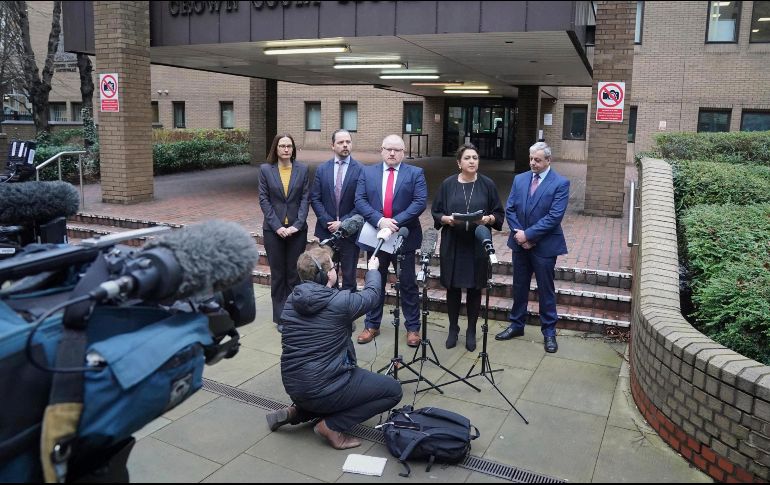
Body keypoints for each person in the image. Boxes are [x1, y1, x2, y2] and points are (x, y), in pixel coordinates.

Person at [265, 247, 403, 449]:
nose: (335, 270)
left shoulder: (291, 300)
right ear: (326, 274)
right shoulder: (339, 303)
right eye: (332, 266)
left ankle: (298, 412)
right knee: (393, 390)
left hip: (295, 386)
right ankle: (331, 426)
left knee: (321, 387)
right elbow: (373, 295)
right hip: (326, 387)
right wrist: (373, 270)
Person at [495, 142, 569, 353]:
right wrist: (520, 236)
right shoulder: (520, 179)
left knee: (546, 290)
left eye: (537, 160)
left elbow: (554, 216)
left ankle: (549, 333)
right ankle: (517, 325)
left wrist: (529, 235)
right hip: (520, 244)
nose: (533, 163)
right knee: (519, 286)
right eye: (531, 159)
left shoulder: (560, 183)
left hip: (544, 246)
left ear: (548, 160)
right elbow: (510, 209)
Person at [354, 134, 427, 348]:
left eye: (397, 150)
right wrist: (380, 221)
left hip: (404, 236)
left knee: (408, 284)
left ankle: (413, 328)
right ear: (382, 150)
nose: (392, 153)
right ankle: (372, 324)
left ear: (404, 153)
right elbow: (360, 200)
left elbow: (420, 202)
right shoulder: (367, 172)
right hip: (377, 237)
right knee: (375, 280)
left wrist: (394, 222)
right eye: (388, 149)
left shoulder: (415, 173)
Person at [431, 143, 504, 351]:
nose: (472, 161)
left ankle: (471, 330)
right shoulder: (448, 184)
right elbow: (436, 212)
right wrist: (446, 219)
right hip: (453, 243)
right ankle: (453, 329)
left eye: (475, 157)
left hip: (477, 243)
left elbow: (499, 214)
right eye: (467, 158)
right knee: (452, 288)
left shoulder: (487, 184)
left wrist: (488, 219)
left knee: (474, 288)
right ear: (458, 163)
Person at [258, 133, 310, 332]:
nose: (286, 149)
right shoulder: (265, 170)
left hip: (297, 231)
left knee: (294, 275)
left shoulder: (302, 169)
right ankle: (281, 317)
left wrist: (297, 224)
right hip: (273, 231)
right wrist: (277, 226)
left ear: (293, 149)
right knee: (278, 275)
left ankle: (293, 314)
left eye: (289, 146)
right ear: (276, 149)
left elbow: (305, 199)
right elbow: (264, 200)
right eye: (282, 146)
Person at [309, 129, 362, 291]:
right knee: (326, 276)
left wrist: (343, 223)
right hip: (326, 231)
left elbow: (361, 202)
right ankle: (329, 312)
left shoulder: (360, 170)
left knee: (349, 277)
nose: (345, 145)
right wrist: (327, 221)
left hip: (350, 232)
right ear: (332, 146)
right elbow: (315, 198)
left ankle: (347, 313)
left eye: (348, 142)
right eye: (340, 142)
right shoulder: (322, 169)